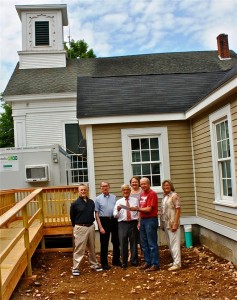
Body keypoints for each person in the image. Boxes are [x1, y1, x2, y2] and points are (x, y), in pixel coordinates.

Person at [70, 183, 102, 276]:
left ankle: (94, 265)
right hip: (80, 228)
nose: (83, 191)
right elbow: (72, 217)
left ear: (87, 190)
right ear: (78, 191)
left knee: (92, 248)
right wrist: (76, 227)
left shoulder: (91, 202)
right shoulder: (75, 204)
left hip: (91, 227)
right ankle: (75, 268)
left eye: (85, 190)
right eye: (81, 190)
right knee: (79, 248)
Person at [131, 177, 160, 272]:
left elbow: (149, 209)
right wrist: (139, 221)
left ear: (149, 184)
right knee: (144, 243)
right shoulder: (143, 194)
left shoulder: (152, 194)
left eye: (145, 184)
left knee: (152, 243)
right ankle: (147, 262)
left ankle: (155, 264)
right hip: (143, 220)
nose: (143, 185)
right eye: (141, 184)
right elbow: (141, 210)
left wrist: (137, 209)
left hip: (150, 220)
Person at [95, 181, 121, 270]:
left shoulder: (114, 197)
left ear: (109, 187)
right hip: (103, 221)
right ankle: (104, 263)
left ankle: (116, 261)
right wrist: (100, 226)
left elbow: (116, 210)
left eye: (106, 186)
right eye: (103, 186)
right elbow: (97, 214)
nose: (104, 188)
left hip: (113, 220)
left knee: (116, 241)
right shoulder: (97, 199)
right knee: (104, 243)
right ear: (100, 188)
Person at [113, 184, 139, 269]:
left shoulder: (135, 200)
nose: (126, 191)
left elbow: (139, 212)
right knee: (123, 243)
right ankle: (124, 262)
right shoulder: (118, 202)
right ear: (122, 192)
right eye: (124, 190)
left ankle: (134, 261)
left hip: (133, 223)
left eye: (127, 190)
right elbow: (115, 215)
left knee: (134, 242)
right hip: (122, 224)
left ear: (130, 191)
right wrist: (118, 209)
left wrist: (139, 222)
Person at [160, 179, 181, 271]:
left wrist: (175, 223)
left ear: (171, 186)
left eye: (167, 185)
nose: (165, 187)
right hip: (166, 222)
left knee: (174, 243)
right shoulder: (165, 197)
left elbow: (178, 210)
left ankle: (177, 264)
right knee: (170, 243)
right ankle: (174, 261)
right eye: (164, 186)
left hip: (172, 223)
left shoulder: (174, 195)